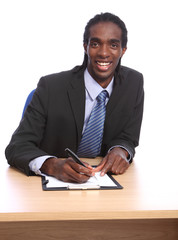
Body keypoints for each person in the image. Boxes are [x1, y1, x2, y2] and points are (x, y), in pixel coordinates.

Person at [5, 12, 144, 183]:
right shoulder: (51, 87)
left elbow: (128, 137)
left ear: (123, 50)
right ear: (85, 46)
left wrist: (121, 150)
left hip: (103, 183)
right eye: (95, 44)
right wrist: (51, 165)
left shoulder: (133, 84)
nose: (103, 53)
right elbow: (17, 147)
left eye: (113, 45)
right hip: (50, 187)